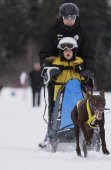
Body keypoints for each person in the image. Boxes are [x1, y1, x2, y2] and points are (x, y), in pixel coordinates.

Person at [38, 3, 95, 147]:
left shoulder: (83, 32)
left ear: (76, 17)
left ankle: (88, 132)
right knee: (54, 104)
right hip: (58, 77)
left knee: (85, 104)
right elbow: (45, 53)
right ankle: (51, 133)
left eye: (72, 17)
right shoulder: (53, 31)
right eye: (66, 17)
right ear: (61, 17)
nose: (69, 20)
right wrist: (49, 68)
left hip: (79, 75)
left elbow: (90, 54)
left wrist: (88, 70)